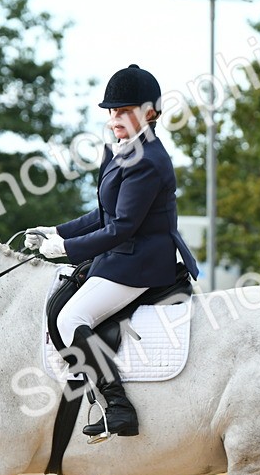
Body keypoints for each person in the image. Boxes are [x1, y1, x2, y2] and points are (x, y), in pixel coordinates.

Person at [26, 64, 200, 442]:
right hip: (119, 255)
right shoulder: (120, 151)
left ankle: (118, 407)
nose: (113, 119)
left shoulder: (150, 161)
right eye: (111, 111)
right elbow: (101, 214)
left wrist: (65, 249)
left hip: (142, 261)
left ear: (149, 112)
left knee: (72, 317)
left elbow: (122, 226)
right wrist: (55, 231)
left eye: (123, 111)